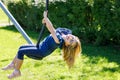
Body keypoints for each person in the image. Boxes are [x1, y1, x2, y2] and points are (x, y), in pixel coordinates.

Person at [2, 11, 82, 79]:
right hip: (40, 46)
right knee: (21, 47)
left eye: (71, 41)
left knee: (21, 52)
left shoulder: (59, 41)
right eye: (73, 38)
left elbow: (52, 30)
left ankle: (17, 71)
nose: (70, 38)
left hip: (41, 51)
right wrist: (45, 22)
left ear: (67, 45)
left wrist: (46, 18)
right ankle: (12, 64)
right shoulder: (63, 33)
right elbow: (51, 28)